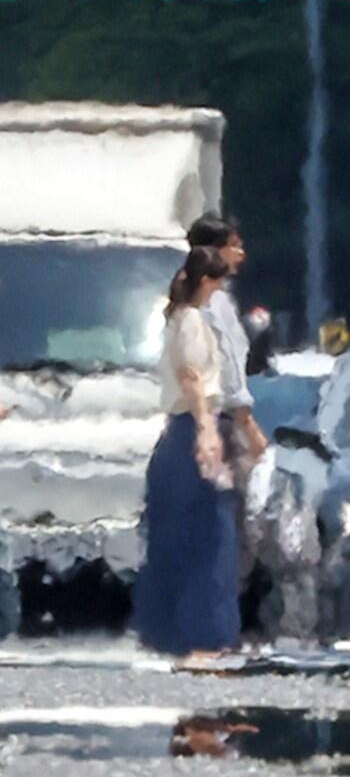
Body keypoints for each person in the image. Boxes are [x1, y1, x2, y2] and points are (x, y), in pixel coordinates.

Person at [133, 247, 241, 659]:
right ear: (209, 282)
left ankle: (165, 630)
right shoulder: (193, 320)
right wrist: (207, 429)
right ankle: (207, 634)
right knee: (211, 534)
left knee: (173, 534)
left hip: (175, 433)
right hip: (193, 425)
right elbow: (193, 378)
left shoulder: (175, 318)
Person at [187, 215, 268, 474]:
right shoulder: (207, 303)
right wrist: (248, 424)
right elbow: (226, 366)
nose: (240, 254)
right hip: (215, 421)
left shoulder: (220, 299)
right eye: (233, 246)